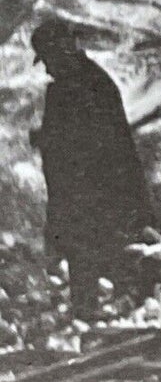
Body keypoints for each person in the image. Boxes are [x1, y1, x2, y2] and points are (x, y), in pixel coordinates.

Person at [31, 19, 151, 321]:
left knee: (90, 250)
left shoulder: (85, 86)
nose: (46, 68)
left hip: (92, 193)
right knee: (89, 252)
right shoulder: (89, 82)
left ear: (60, 52)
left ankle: (102, 315)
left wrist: (49, 140)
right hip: (85, 193)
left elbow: (93, 144)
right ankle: (97, 313)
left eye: (47, 59)